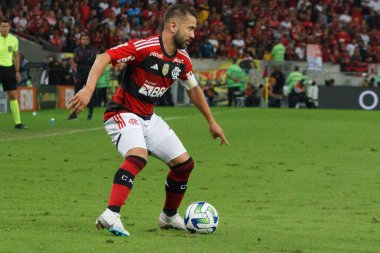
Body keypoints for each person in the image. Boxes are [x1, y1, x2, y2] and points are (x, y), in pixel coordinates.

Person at [68, 4, 229, 237]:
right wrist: (88, 89)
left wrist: (212, 122)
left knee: (184, 165)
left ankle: (169, 216)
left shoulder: (182, 59)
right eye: (190, 28)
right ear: (173, 26)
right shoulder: (145, 48)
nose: (193, 35)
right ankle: (112, 214)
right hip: (121, 112)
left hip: (148, 117)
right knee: (137, 156)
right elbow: (105, 56)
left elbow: (193, 90)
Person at [0, 19, 27, 129]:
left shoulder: (14, 40)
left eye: (6, 26)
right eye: (2, 26)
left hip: (9, 69)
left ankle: (18, 123)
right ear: (0, 27)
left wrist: (17, 71)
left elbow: (16, 56)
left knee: (13, 95)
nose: (4, 28)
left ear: (9, 27)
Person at [68, 33, 96, 120]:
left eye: (86, 39)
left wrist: (82, 59)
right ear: (80, 40)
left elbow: (92, 60)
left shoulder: (92, 50)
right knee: (76, 94)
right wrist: (85, 59)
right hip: (79, 74)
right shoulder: (77, 50)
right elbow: (76, 59)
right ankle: (74, 114)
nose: (85, 40)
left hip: (89, 74)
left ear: (89, 40)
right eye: (83, 39)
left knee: (90, 94)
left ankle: (90, 113)